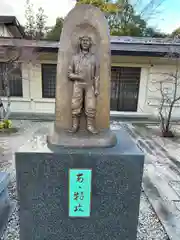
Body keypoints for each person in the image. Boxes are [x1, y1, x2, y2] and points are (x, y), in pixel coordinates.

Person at [68, 35, 99, 134]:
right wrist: (78, 77)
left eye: (87, 41)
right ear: (80, 42)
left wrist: (96, 88)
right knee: (75, 105)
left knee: (91, 106)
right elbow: (69, 74)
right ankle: (75, 126)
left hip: (90, 85)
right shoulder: (74, 58)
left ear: (90, 43)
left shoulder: (94, 58)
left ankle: (90, 126)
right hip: (78, 84)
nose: (85, 42)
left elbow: (97, 75)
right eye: (83, 41)